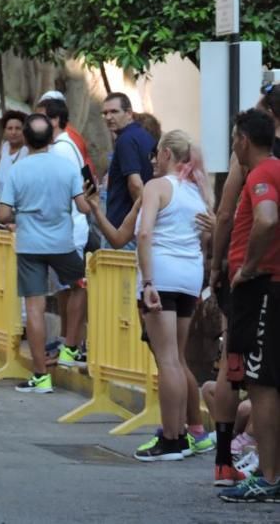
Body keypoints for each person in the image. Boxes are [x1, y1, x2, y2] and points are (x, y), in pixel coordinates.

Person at [0, 114, 90, 394]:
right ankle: (70, 346)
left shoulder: (18, 170)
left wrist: (21, 213)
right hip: (62, 243)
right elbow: (84, 207)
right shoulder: (68, 168)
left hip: (29, 245)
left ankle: (41, 376)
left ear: (25, 138)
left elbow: (2, 213)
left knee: (34, 309)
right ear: (52, 138)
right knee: (81, 285)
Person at [133, 131, 211, 461]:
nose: (153, 159)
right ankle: (182, 432)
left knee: (166, 360)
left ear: (166, 153)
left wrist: (148, 280)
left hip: (161, 275)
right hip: (189, 278)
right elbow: (207, 239)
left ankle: (171, 437)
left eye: (156, 154)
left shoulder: (157, 187)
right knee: (177, 358)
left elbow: (144, 231)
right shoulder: (198, 192)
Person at [219, 109, 280, 503]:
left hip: (262, 289)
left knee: (261, 384)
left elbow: (267, 219)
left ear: (243, 139)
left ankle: (270, 476)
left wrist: (249, 267)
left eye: (234, 140)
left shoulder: (262, 174)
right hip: (268, 289)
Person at [38, 98, 89, 368]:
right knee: (65, 291)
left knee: (75, 287)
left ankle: (72, 346)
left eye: (41, 117)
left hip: (68, 230)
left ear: (55, 120)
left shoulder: (61, 149)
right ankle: (67, 343)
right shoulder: (62, 147)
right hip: (62, 229)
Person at [102, 92, 155, 232]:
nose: (108, 117)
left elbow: (135, 184)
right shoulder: (145, 136)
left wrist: (144, 218)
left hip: (124, 226)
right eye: (105, 113)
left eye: (114, 112)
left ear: (129, 113)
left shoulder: (125, 140)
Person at [0, 110, 27, 193]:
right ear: (4, 131)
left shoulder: (27, 151)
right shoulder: (4, 146)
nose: (13, 132)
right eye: (10, 128)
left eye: (18, 128)